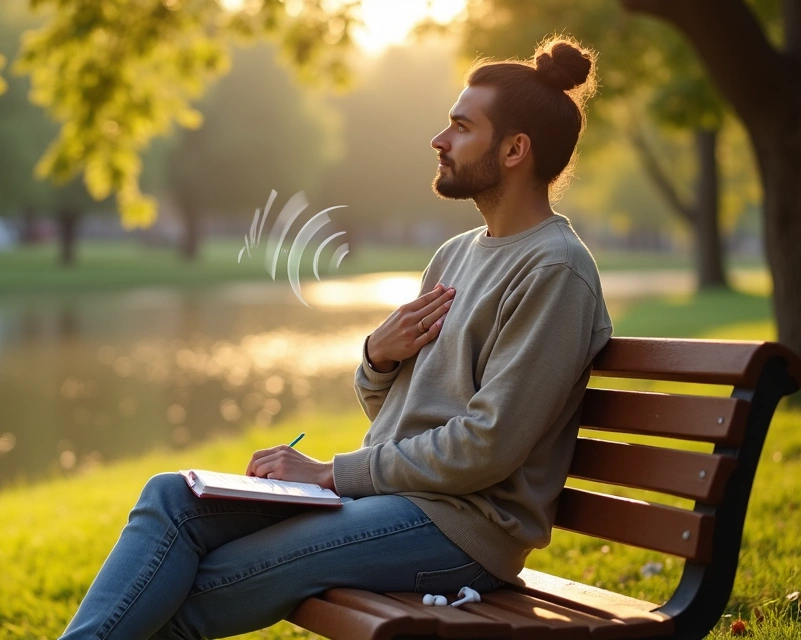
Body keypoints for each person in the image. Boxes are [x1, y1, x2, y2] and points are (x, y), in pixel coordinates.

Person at [59, 36, 614, 640]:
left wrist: (330, 474)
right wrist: (378, 359)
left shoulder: (554, 270)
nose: (438, 140)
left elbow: (488, 447)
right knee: (171, 497)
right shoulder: (454, 256)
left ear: (514, 150)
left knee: (189, 588)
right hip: (399, 504)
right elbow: (396, 417)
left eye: (459, 126)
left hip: (462, 531)